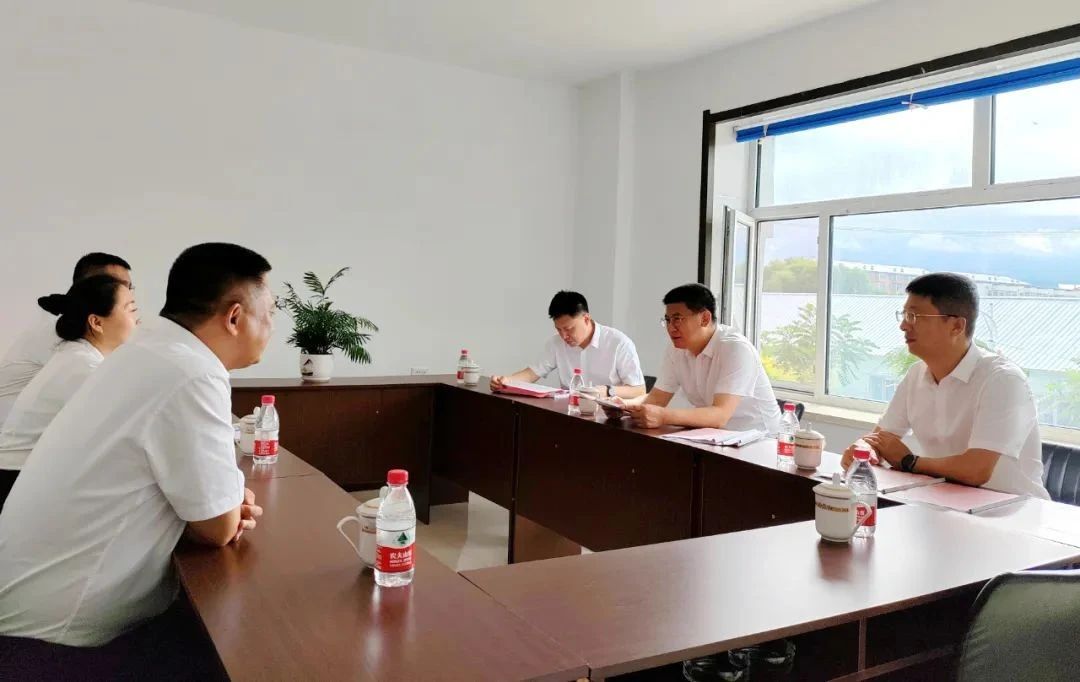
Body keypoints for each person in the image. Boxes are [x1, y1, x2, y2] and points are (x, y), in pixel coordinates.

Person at [0, 243, 272, 652]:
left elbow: (206, 510)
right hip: (59, 638)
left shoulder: (145, 352)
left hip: (31, 603)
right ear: (235, 317)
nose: (272, 326)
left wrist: (219, 505)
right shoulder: (193, 373)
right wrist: (224, 506)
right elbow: (218, 528)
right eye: (270, 312)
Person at [840, 273, 1049, 499]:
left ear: (956, 326)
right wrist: (863, 450)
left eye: (914, 316)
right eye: (904, 315)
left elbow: (977, 470)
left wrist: (909, 462)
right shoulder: (916, 375)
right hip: (946, 500)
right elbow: (881, 439)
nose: (903, 325)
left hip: (1014, 509)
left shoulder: (1003, 379)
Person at [0, 275, 139, 508]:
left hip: (23, 475)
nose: (138, 319)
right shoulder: (85, 368)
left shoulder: (78, 355)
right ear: (96, 322)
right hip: (17, 480)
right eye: (131, 309)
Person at [621, 283, 780, 433]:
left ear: (705, 318)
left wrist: (663, 416)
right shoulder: (676, 349)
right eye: (667, 320)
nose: (671, 328)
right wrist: (622, 407)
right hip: (714, 436)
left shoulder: (735, 348)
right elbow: (656, 399)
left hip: (759, 439)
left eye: (677, 319)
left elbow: (720, 415)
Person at [0, 253, 132, 425]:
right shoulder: (63, 332)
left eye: (130, 287)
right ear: (90, 285)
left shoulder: (75, 326)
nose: (127, 293)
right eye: (118, 285)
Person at [490, 290, 646, 399]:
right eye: (558, 329)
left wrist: (607, 391)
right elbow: (532, 373)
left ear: (586, 319)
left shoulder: (619, 343)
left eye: (569, 329)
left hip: (608, 417)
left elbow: (639, 390)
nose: (564, 336)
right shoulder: (556, 343)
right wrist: (505, 381)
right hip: (571, 413)